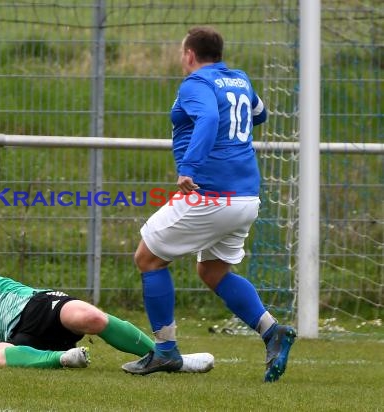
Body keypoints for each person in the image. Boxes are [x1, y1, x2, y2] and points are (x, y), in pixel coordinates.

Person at [121, 26, 296, 382]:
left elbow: (211, 118)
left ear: (189, 54)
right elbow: (259, 114)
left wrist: (189, 166)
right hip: (246, 197)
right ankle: (271, 331)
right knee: (212, 271)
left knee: (147, 258)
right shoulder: (239, 79)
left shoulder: (195, 84)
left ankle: (166, 352)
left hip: (211, 194)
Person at [0, 260, 214, 372]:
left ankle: (168, 357)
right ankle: (64, 359)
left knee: (87, 316)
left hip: (37, 308)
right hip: (23, 340)